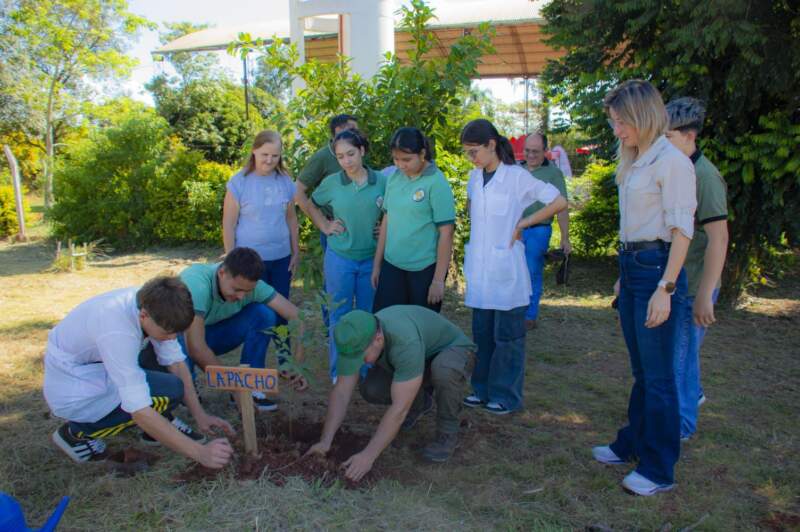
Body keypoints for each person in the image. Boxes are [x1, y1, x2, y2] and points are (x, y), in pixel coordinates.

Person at [591, 80, 697, 496]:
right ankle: (632, 443)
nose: (617, 130)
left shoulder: (672, 162)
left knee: (659, 377)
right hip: (634, 266)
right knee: (642, 371)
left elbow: (681, 231)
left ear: (643, 116)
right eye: (615, 122)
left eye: (621, 122)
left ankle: (659, 468)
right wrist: (623, 271)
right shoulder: (635, 159)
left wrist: (665, 288)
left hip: (658, 270)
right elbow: (632, 224)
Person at [44, 276, 235, 467]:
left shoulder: (155, 304)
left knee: (168, 373)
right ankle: (76, 432)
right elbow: (139, 409)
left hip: (100, 364)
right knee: (169, 390)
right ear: (144, 315)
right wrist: (200, 453)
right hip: (74, 389)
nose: (172, 338)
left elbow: (176, 364)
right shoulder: (118, 333)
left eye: (176, 333)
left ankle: (158, 425)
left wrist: (200, 415)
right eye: (167, 332)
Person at [459, 119, 567, 415]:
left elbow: (558, 202)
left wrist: (525, 222)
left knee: (506, 336)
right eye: (467, 153)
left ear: (491, 145)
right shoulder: (473, 177)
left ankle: (505, 395)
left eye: (474, 151)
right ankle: (480, 389)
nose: (472, 158)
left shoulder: (516, 177)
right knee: (481, 334)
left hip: (506, 268)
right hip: (481, 271)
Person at [306, 306, 477, 479]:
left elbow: (399, 409)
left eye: (361, 357)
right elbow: (342, 391)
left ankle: (447, 432)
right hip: (418, 358)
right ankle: (420, 403)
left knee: (444, 372)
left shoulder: (404, 341)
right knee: (372, 388)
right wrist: (325, 441)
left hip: (453, 350)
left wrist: (368, 456)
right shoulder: (354, 338)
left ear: (378, 339)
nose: (361, 363)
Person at [665, 97, 729, 441]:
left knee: (681, 360)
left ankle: (681, 426)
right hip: (676, 282)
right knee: (680, 357)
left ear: (689, 136)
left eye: (669, 137)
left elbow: (719, 238)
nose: (663, 145)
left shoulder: (705, 176)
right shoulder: (678, 170)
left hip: (694, 287)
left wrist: (706, 294)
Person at [178, 247, 307, 412]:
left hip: (216, 336)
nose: (241, 296)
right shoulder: (197, 283)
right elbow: (195, 346)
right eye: (236, 289)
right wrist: (233, 386)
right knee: (179, 332)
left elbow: (298, 317)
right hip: (184, 341)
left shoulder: (253, 286)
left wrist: (297, 364)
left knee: (264, 314)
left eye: (247, 291)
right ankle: (187, 385)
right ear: (222, 272)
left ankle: (251, 386)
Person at [305, 129, 387, 382]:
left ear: (362, 150)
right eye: (340, 157)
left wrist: (383, 224)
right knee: (338, 314)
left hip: (370, 260)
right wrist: (324, 225)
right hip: (340, 258)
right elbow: (307, 201)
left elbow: (393, 211)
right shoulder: (332, 182)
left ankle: (363, 370)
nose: (347, 161)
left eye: (351, 154)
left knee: (366, 316)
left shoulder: (382, 182)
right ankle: (338, 371)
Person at [223, 130, 299, 362]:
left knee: (282, 309)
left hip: (281, 257)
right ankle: (255, 360)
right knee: (258, 311)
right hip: (250, 261)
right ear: (254, 151)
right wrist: (230, 257)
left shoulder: (285, 181)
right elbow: (228, 223)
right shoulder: (239, 182)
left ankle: (284, 357)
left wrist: (296, 251)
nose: (269, 160)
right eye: (265, 154)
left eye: (275, 156)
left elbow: (291, 219)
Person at [372, 127, 456, 313]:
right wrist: (378, 265)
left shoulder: (436, 182)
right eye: (396, 159)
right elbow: (387, 219)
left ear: (423, 153)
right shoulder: (394, 177)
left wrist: (438, 280)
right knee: (388, 324)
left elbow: (446, 232)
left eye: (407, 159)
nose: (401, 165)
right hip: (392, 266)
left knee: (420, 329)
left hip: (423, 270)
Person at [521, 132, 572, 329]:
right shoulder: (517, 169)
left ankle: (530, 315)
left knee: (533, 269)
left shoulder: (553, 173)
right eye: (527, 150)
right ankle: (516, 310)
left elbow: (562, 206)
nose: (531, 155)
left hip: (538, 230)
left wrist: (565, 238)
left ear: (545, 151)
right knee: (516, 269)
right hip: (515, 229)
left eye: (535, 151)